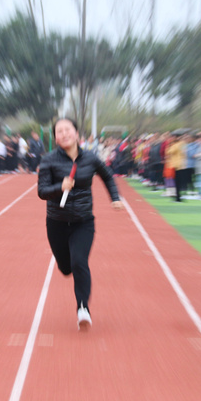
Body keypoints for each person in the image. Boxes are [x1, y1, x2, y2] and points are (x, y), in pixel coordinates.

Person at [37, 118, 123, 331]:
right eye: (59, 131)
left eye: (68, 130)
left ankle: (83, 307)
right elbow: (42, 191)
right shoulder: (48, 160)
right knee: (66, 268)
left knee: (79, 262)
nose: (64, 134)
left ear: (76, 133)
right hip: (56, 222)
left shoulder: (91, 159)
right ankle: (66, 268)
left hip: (83, 221)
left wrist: (115, 197)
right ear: (55, 137)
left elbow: (108, 177)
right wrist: (60, 186)